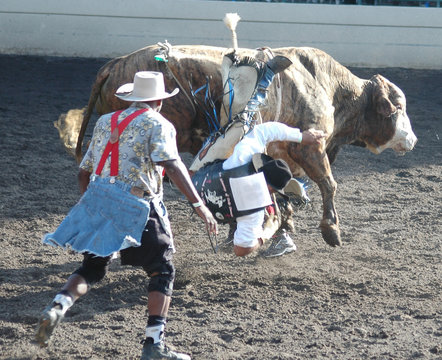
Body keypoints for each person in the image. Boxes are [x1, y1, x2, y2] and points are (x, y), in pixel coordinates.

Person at [35, 71, 218, 360]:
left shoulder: (106, 121)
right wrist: (199, 204)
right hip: (136, 203)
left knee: (92, 268)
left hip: (99, 195)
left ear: (133, 97)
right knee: (162, 269)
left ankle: (58, 306)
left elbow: (84, 170)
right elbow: (171, 164)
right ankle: (153, 344)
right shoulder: (159, 124)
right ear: (158, 99)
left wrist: (91, 204)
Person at [192, 122, 325, 257]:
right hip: (205, 210)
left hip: (193, 187)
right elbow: (240, 250)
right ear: (273, 190)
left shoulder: (242, 157)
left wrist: (301, 136)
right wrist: (265, 235)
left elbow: (265, 130)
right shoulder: (254, 214)